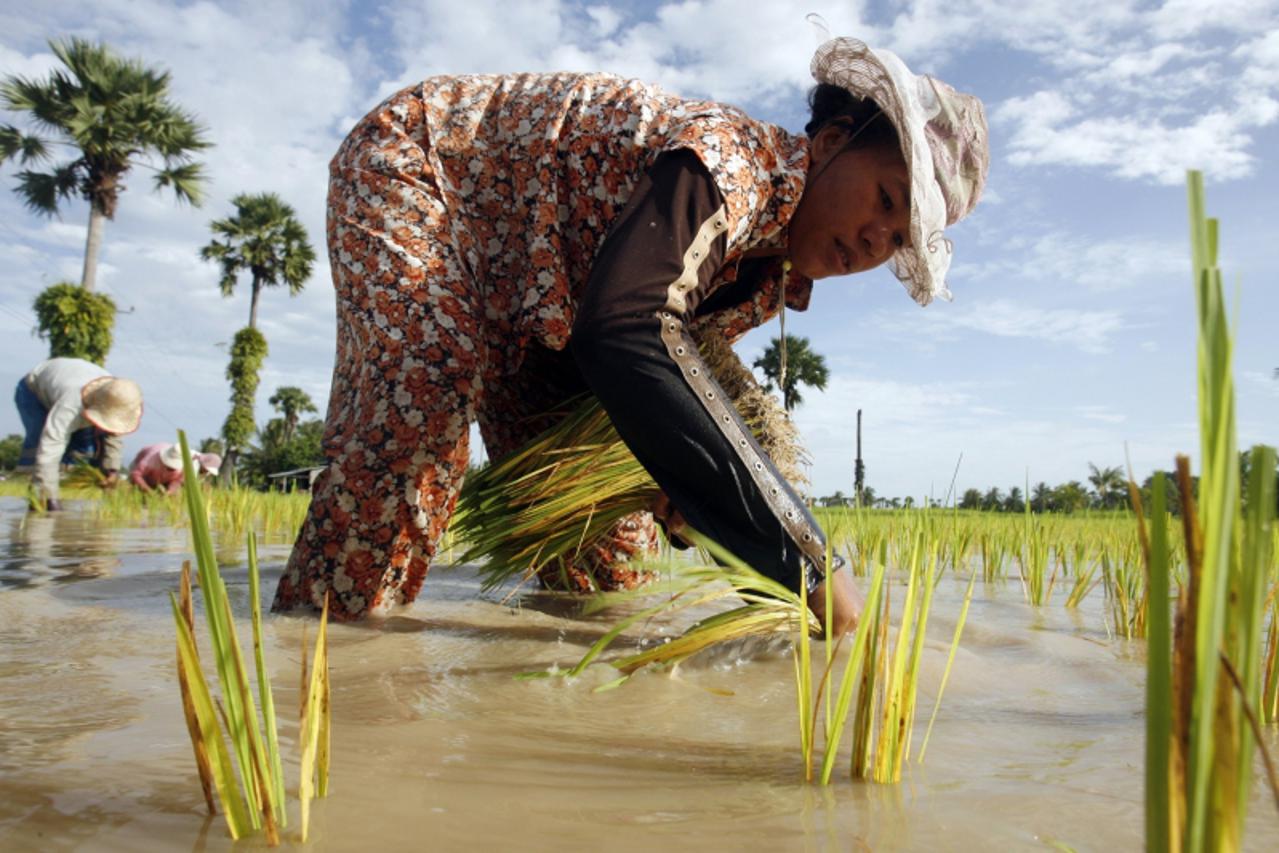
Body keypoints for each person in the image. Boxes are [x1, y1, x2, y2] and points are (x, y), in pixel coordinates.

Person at [273, 36, 989, 627]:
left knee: (606, 569)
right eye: (883, 200)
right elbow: (627, 330)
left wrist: (705, 515)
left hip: (542, 313)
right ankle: (325, 651)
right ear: (831, 143)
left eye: (897, 239)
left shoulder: (771, 277)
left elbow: (666, 392)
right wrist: (809, 566)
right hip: (426, 173)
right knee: (423, 397)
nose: (873, 239)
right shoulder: (731, 164)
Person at [15, 356, 144, 511]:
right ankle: (39, 497)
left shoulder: (118, 396)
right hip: (33, 392)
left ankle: (47, 490)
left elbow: (113, 437)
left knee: (88, 448)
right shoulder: (71, 405)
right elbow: (50, 447)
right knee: (39, 445)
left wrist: (112, 470)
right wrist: (51, 497)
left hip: (69, 380)